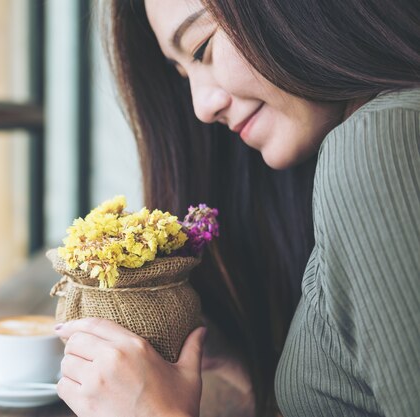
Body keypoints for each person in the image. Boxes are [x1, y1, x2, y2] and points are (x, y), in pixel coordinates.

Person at [54, 0, 420, 416]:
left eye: (200, 48)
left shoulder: (379, 143)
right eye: (183, 74)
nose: (201, 107)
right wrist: (272, 372)